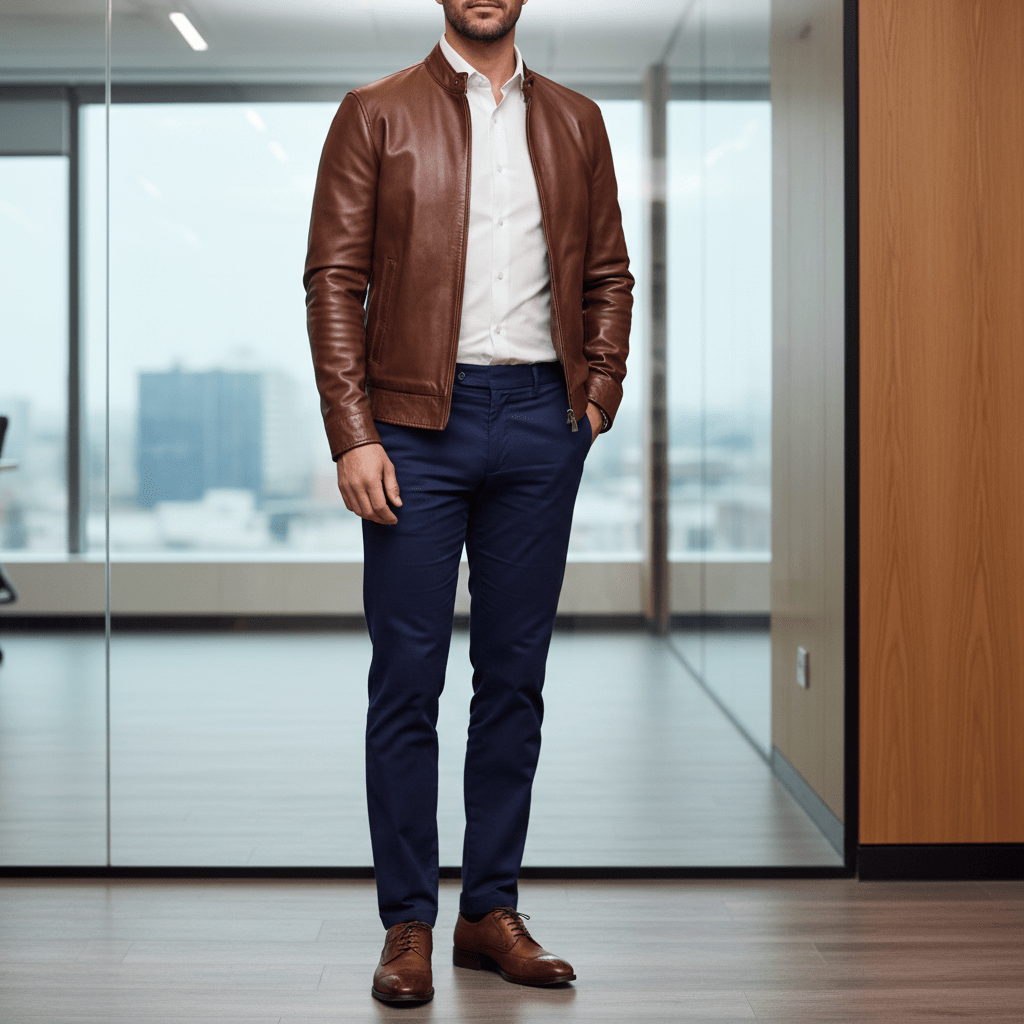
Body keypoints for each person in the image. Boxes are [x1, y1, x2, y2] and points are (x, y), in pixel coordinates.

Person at [304, 0, 632, 1005]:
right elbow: (333, 280)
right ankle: (408, 920)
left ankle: (490, 910)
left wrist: (597, 391)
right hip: (413, 424)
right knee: (407, 678)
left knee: (514, 677)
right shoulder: (378, 111)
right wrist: (354, 431)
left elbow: (610, 274)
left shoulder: (575, 119)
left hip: (541, 419)